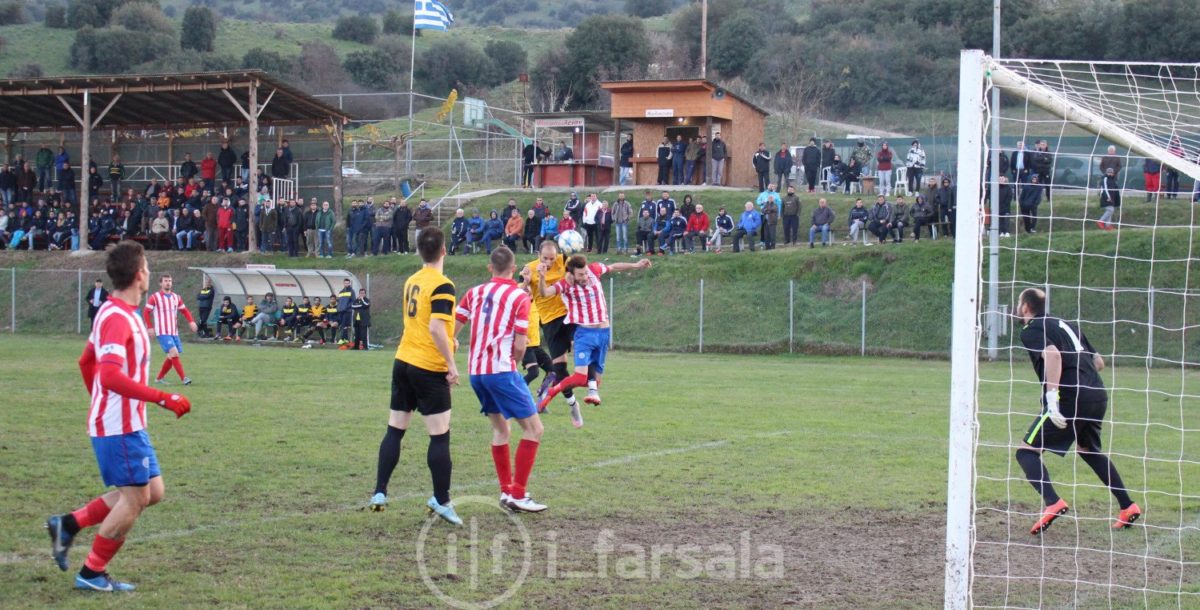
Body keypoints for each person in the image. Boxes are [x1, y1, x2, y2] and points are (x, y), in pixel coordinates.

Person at [45, 241, 191, 593]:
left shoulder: (126, 315)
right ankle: (92, 572)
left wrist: (100, 403)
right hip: (118, 426)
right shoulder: (114, 317)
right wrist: (162, 397)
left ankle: (69, 523)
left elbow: (86, 363)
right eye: (148, 267)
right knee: (135, 499)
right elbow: (107, 375)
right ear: (139, 274)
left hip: (126, 424)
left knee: (152, 492)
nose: (150, 272)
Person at [1014, 288, 1141, 535]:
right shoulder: (1066, 324)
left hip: (1070, 398)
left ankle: (1053, 502)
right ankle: (1128, 506)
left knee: (1025, 453)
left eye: (1019, 303)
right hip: (1097, 394)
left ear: (1026, 307)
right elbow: (1098, 362)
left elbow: (1052, 355)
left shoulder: (1031, 329)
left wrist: (1052, 398)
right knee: (1089, 451)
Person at [368, 227, 460, 524]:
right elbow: (435, 328)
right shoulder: (443, 285)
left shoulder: (412, 280)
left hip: (403, 361)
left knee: (395, 428)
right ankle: (441, 500)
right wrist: (451, 363)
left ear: (420, 251)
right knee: (440, 436)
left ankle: (380, 491)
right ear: (444, 250)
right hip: (428, 366)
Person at [454, 247, 548, 512]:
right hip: (501, 371)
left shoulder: (475, 292)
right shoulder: (519, 297)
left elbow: (454, 327)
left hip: (477, 373)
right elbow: (520, 344)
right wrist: (514, 364)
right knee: (534, 429)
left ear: (489, 268)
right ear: (514, 267)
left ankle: (507, 491)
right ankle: (518, 494)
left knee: (501, 429)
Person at [535, 254, 653, 425]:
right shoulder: (566, 285)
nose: (584, 277)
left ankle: (576, 391)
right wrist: (542, 277)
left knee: (595, 381)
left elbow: (614, 266)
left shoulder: (594, 270)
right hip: (584, 334)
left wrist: (636, 265)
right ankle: (551, 393)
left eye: (585, 273)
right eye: (580, 275)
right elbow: (545, 293)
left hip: (604, 333)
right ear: (571, 274)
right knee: (578, 377)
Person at [143, 274, 197, 386]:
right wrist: (149, 327)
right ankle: (184, 378)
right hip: (162, 331)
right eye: (166, 281)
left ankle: (159, 378)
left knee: (171, 356)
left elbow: (184, 310)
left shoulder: (176, 297)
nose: (168, 283)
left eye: (170, 281)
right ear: (161, 283)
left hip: (174, 331)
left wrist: (191, 321)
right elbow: (146, 312)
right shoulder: (155, 297)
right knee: (174, 353)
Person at [1098, 166, 1120, 231]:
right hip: (1105, 198)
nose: (1110, 174)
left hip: (1112, 198)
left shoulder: (1113, 180)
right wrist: (1108, 197)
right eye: (1109, 172)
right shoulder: (1105, 179)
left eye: (1111, 173)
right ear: (1106, 173)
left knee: (1110, 210)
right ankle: (1101, 221)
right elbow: (1105, 189)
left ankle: (1108, 225)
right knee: (1110, 210)